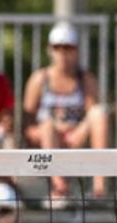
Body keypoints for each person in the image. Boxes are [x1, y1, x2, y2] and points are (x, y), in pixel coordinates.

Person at [22, 23, 109, 198]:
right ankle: (59, 185)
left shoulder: (85, 79)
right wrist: (54, 128)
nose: (62, 52)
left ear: (76, 50)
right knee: (47, 126)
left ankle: (100, 187)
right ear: (50, 50)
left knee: (100, 114)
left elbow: (93, 115)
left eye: (67, 47)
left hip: (76, 138)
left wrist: (77, 130)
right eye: (57, 47)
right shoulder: (39, 79)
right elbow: (27, 123)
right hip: (47, 138)